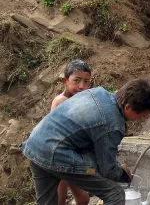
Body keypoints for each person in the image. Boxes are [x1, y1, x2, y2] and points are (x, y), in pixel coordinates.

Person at [20, 78, 150, 205]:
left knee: (46, 202)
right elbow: (108, 170)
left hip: (35, 146)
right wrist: (123, 173)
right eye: (141, 115)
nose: (140, 119)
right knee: (115, 194)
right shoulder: (112, 125)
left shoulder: (98, 93)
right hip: (56, 153)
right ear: (128, 107)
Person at [51, 59, 92, 205]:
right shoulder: (62, 101)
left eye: (86, 82)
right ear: (65, 81)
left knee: (83, 199)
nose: (82, 86)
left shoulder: (78, 100)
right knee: (59, 201)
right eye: (77, 81)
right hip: (58, 158)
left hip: (71, 157)